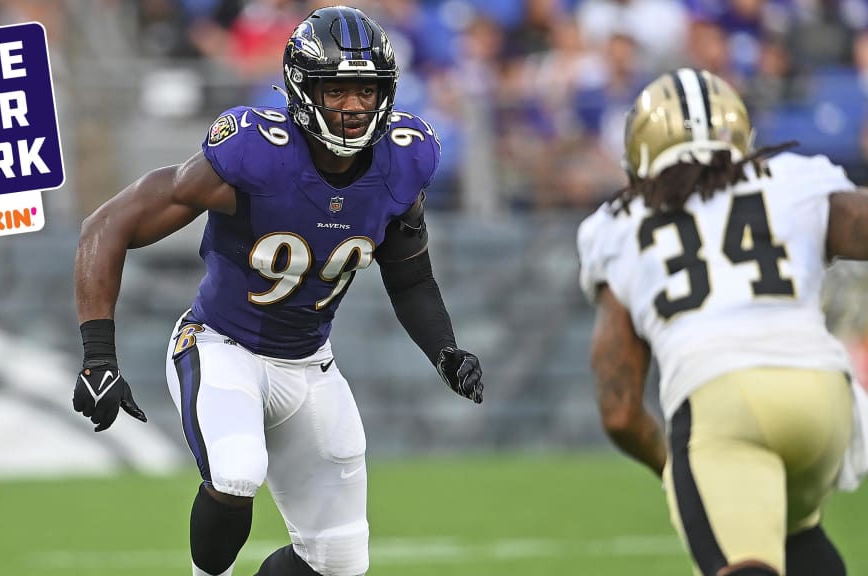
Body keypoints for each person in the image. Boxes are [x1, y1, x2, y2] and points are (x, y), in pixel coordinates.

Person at [72, 6, 484, 576]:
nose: (354, 106)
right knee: (237, 471)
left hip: (310, 363)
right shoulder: (255, 154)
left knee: (338, 563)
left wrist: (445, 348)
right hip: (221, 345)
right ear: (302, 89)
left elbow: (409, 274)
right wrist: (98, 355)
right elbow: (106, 226)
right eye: (337, 89)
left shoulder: (403, 160)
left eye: (366, 90)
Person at [577, 67, 868, 576]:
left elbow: (619, 410)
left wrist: (672, 466)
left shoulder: (617, 224)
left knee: (743, 561)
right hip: (825, 397)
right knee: (798, 544)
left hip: (720, 397)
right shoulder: (793, 179)